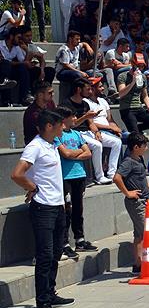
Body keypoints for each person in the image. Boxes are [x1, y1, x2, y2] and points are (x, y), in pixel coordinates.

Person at [11, 109, 75, 308]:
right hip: (43, 209)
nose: (63, 128)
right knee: (45, 256)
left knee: (57, 252)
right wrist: (32, 187)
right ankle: (43, 306)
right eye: (60, 125)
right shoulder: (35, 147)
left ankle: (51, 293)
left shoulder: (52, 145)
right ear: (50, 126)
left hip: (57, 207)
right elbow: (17, 173)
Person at [56, 106, 94, 261]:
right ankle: (64, 243)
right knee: (67, 210)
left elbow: (88, 152)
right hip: (66, 177)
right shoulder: (58, 136)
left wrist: (74, 155)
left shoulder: (77, 134)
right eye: (72, 117)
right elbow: (65, 153)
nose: (74, 120)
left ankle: (80, 239)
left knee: (79, 208)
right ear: (64, 119)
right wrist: (78, 152)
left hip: (80, 175)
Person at [113, 132, 149, 275]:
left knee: (139, 234)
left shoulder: (139, 159)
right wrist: (128, 193)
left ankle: (138, 263)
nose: (146, 148)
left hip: (145, 200)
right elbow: (117, 178)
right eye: (144, 146)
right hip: (136, 202)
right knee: (144, 231)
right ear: (136, 147)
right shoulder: (128, 162)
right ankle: (142, 263)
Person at [83, 77, 122, 183]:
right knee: (116, 142)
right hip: (98, 131)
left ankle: (118, 171)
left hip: (109, 130)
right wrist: (110, 128)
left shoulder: (103, 101)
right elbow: (90, 122)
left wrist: (117, 129)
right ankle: (107, 174)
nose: (103, 89)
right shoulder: (86, 102)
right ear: (93, 88)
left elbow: (110, 119)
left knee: (129, 137)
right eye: (100, 87)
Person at [117, 53, 149, 134]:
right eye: (138, 66)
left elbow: (144, 95)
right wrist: (133, 81)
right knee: (136, 136)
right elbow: (121, 94)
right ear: (132, 64)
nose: (140, 68)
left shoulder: (142, 77)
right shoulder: (123, 76)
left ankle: (136, 129)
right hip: (127, 109)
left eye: (142, 66)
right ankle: (134, 131)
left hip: (138, 107)